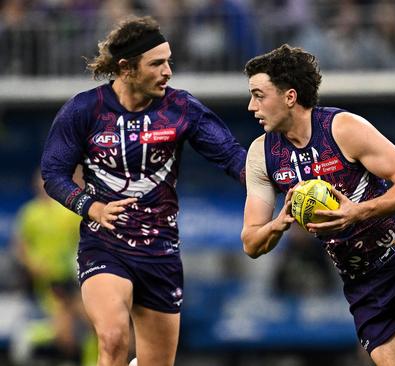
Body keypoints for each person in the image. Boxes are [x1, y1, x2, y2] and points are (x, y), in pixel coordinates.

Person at [40, 15, 247, 366]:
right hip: (105, 245)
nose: (168, 71)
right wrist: (92, 207)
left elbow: (232, 157)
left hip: (160, 251)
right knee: (114, 338)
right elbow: (53, 173)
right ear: (126, 68)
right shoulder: (84, 110)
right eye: (157, 63)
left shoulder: (181, 108)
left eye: (169, 61)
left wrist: (277, 182)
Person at [241, 44, 395, 366]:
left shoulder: (343, 128)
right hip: (360, 283)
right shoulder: (262, 155)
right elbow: (251, 242)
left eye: (259, 95)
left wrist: (357, 211)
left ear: (289, 97)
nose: (250, 106)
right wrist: (280, 222)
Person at [11, 168, 92, 364]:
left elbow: (85, 231)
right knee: (66, 332)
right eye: (41, 181)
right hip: (46, 280)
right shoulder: (30, 213)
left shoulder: (67, 211)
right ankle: (30, 335)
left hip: (70, 279)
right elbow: (19, 247)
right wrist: (33, 265)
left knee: (93, 324)